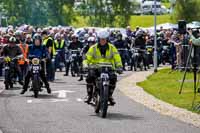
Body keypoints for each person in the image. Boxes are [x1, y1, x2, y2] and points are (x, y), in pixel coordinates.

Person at [83, 29, 123, 105]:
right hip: (95, 68)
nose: (103, 41)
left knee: (113, 78)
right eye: (101, 39)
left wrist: (119, 66)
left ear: (107, 39)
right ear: (98, 39)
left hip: (108, 68)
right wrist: (85, 65)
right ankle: (89, 95)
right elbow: (87, 58)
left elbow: (117, 57)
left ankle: (110, 95)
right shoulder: (93, 48)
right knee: (89, 77)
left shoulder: (112, 47)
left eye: (104, 39)